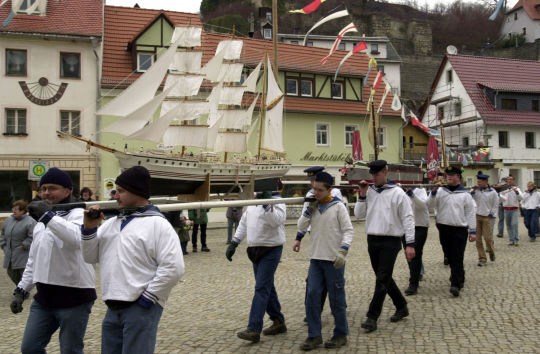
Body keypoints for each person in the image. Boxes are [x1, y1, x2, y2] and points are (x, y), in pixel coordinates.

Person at [81, 166, 184, 354]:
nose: (115, 196)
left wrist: (147, 299)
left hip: (141, 306)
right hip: (113, 306)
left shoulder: (158, 224)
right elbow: (89, 257)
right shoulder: (111, 224)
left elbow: (173, 268)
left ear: (137, 191)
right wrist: (89, 230)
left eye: (121, 191)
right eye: (116, 191)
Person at [11, 167, 96, 354]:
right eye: (43, 189)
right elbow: (34, 259)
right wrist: (22, 289)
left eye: (52, 188)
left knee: (70, 350)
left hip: (75, 298)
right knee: (30, 348)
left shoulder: (79, 214)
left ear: (67, 191)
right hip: (44, 299)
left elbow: (77, 239)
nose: (46, 193)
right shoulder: (42, 221)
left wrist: (47, 216)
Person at [294, 172, 353, 350]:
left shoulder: (338, 207)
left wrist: (343, 251)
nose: (316, 193)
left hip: (333, 260)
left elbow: (348, 230)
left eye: (320, 190)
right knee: (312, 295)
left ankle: (341, 333)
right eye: (314, 189)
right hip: (316, 259)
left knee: (336, 299)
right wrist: (308, 210)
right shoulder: (313, 207)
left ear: (330, 189)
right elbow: (301, 226)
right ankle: (314, 335)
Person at [354, 160, 415, 333]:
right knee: (384, 277)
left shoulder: (398, 193)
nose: (374, 177)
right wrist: (362, 195)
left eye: (377, 174)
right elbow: (359, 215)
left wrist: (410, 243)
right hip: (372, 239)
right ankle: (401, 305)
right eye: (372, 174)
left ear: (385, 172)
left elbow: (408, 219)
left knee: (381, 278)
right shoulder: (369, 191)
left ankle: (372, 316)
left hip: (391, 240)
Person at [226, 190, 287, 343]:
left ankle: (254, 328)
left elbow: (276, 221)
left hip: (271, 249)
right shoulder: (253, 203)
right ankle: (278, 320)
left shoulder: (278, 201)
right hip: (254, 250)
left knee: (261, 288)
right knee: (267, 286)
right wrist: (234, 242)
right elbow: (244, 224)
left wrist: (267, 205)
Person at [297, 166, 343, 323]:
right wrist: (298, 237)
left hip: (331, 239)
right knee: (313, 283)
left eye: (314, 180)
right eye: (310, 181)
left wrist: (343, 249)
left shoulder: (334, 194)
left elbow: (342, 223)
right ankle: (313, 312)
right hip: (315, 236)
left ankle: (338, 309)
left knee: (334, 282)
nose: (312, 184)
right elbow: (304, 219)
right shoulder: (310, 195)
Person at [429, 166, 476, 297]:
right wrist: (433, 192)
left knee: (457, 256)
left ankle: (455, 284)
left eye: (453, 175)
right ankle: (459, 274)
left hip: (459, 229)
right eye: (448, 175)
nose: (449, 176)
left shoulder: (465, 195)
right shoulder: (441, 191)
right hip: (444, 228)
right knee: (449, 255)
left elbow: (470, 213)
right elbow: (431, 207)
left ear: (459, 178)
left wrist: (473, 231)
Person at [1, 200, 36, 286]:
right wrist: (3, 245)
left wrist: (24, 245)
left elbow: (34, 236)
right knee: (11, 273)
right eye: (13, 208)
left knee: (24, 275)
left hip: (23, 254)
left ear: (23, 211)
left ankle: (22, 290)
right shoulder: (8, 221)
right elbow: (2, 234)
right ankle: (20, 288)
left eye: (17, 209)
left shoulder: (30, 222)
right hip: (9, 253)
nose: (14, 211)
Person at [402, 187, 429, 295]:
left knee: (416, 253)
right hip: (405, 225)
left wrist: (412, 194)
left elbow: (423, 204)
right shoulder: (399, 191)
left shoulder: (420, 190)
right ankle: (415, 275)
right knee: (408, 253)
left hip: (420, 225)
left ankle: (413, 283)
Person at [470, 172, 498, 266]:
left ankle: (491, 251)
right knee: (478, 240)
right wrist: (473, 191)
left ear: (485, 181)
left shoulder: (493, 192)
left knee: (487, 238)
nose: (478, 183)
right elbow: (469, 199)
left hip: (487, 217)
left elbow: (495, 205)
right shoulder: (476, 191)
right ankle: (482, 258)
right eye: (477, 181)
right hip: (477, 216)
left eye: (480, 182)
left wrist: (491, 214)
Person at [499, 175, 523, 246]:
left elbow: (521, 197)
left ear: (513, 180)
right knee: (508, 225)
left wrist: (517, 193)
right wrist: (499, 195)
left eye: (511, 179)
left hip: (514, 209)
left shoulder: (517, 189)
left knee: (514, 224)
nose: (509, 181)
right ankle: (511, 240)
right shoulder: (504, 189)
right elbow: (502, 199)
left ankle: (516, 240)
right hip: (506, 209)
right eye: (508, 180)